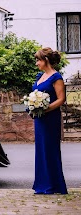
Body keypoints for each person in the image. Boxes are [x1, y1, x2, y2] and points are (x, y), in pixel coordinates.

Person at [32, 47, 68, 194]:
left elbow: (61, 99)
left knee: (50, 149)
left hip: (50, 118)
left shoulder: (56, 77)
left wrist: (46, 109)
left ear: (45, 60)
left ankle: (54, 185)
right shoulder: (40, 76)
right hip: (39, 119)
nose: (36, 63)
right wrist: (33, 105)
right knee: (41, 150)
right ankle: (42, 184)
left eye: (38, 60)